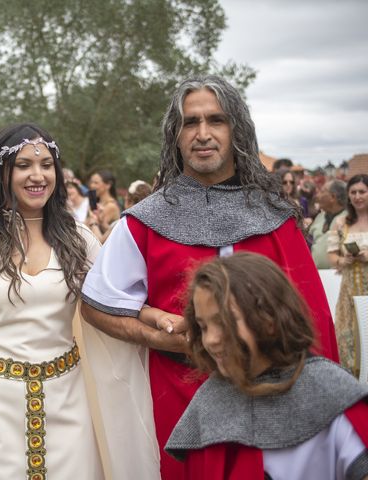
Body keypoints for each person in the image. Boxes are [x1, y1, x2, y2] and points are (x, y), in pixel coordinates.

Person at [80, 75, 339, 479]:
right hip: (182, 401)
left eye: (216, 120)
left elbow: (316, 321)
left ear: (236, 129)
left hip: (275, 398)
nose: (203, 134)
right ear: (175, 135)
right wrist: (156, 335)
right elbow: (97, 304)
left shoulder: (276, 219)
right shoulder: (145, 222)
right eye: (190, 122)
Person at [0, 123, 157, 479]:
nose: (38, 175)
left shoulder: (79, 239)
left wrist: (157, 318)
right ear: (2, 171)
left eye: (46, 165)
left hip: (68, 405)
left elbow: (113, 299)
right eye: (24, 165)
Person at [165, 253, 368, 479]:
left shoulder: (331, 391)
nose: (211, 339)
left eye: (223, 322)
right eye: (202, 327)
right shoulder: (209, 404)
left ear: (269, 319)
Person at [328, 174, 368, 377]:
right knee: (349, 334)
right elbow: (332, 255)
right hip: (350, 288)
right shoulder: (341, 222)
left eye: (362, 191)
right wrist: (343, 261)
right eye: (354, 192)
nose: (358, 196)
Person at [310, 179, 347, 269]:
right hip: (317, 274)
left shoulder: (348, 218)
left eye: (322, 192)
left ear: (333, 197)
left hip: (338, 276)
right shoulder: (320, 216)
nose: (318, 196)